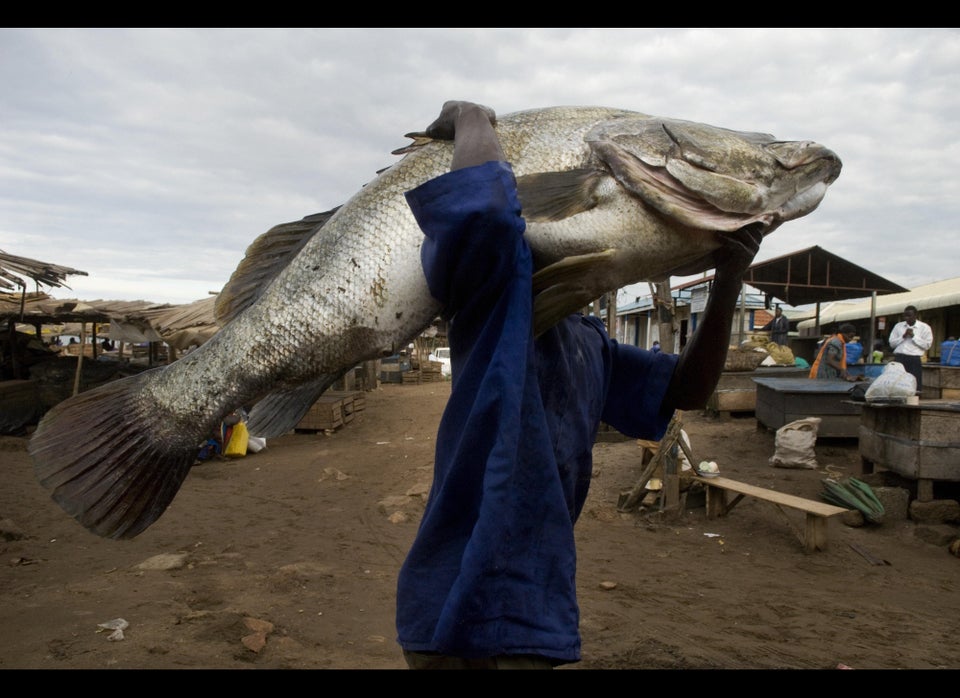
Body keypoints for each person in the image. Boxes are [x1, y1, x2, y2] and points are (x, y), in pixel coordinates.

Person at [395, 100, 763, 669]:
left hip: (532, 597)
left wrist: (728, 283)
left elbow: (686, 391)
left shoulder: (592, 345)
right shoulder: (493, 300)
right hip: (449, 584)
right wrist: (471, 118)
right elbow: (486, 218)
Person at [888, 304, 932, 392]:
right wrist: (903, 336)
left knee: (914, 382)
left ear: (916, 315)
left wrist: (913, 336)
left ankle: (914, 400)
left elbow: (927, 345)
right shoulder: (898, 326)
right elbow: (892, 344)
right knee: (897, 381)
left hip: (914, 358)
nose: (906, 318)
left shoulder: (924, 327)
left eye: (909, 315)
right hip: (899, 358)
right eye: (905, 315)